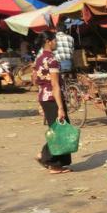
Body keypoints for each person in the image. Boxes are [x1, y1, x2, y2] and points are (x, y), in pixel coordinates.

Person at [33, 32, 71, 174]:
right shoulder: (52, 60)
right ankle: (49, 159)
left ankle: (55, 162)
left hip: (44, 97)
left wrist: (39, 102)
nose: (56, 43)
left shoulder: (39, 59)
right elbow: (55, 85)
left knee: (57, 129)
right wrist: (60, 107)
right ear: (48, 41)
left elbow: (36, 81)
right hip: (52, 98)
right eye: (55, 40)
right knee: (59, 131)